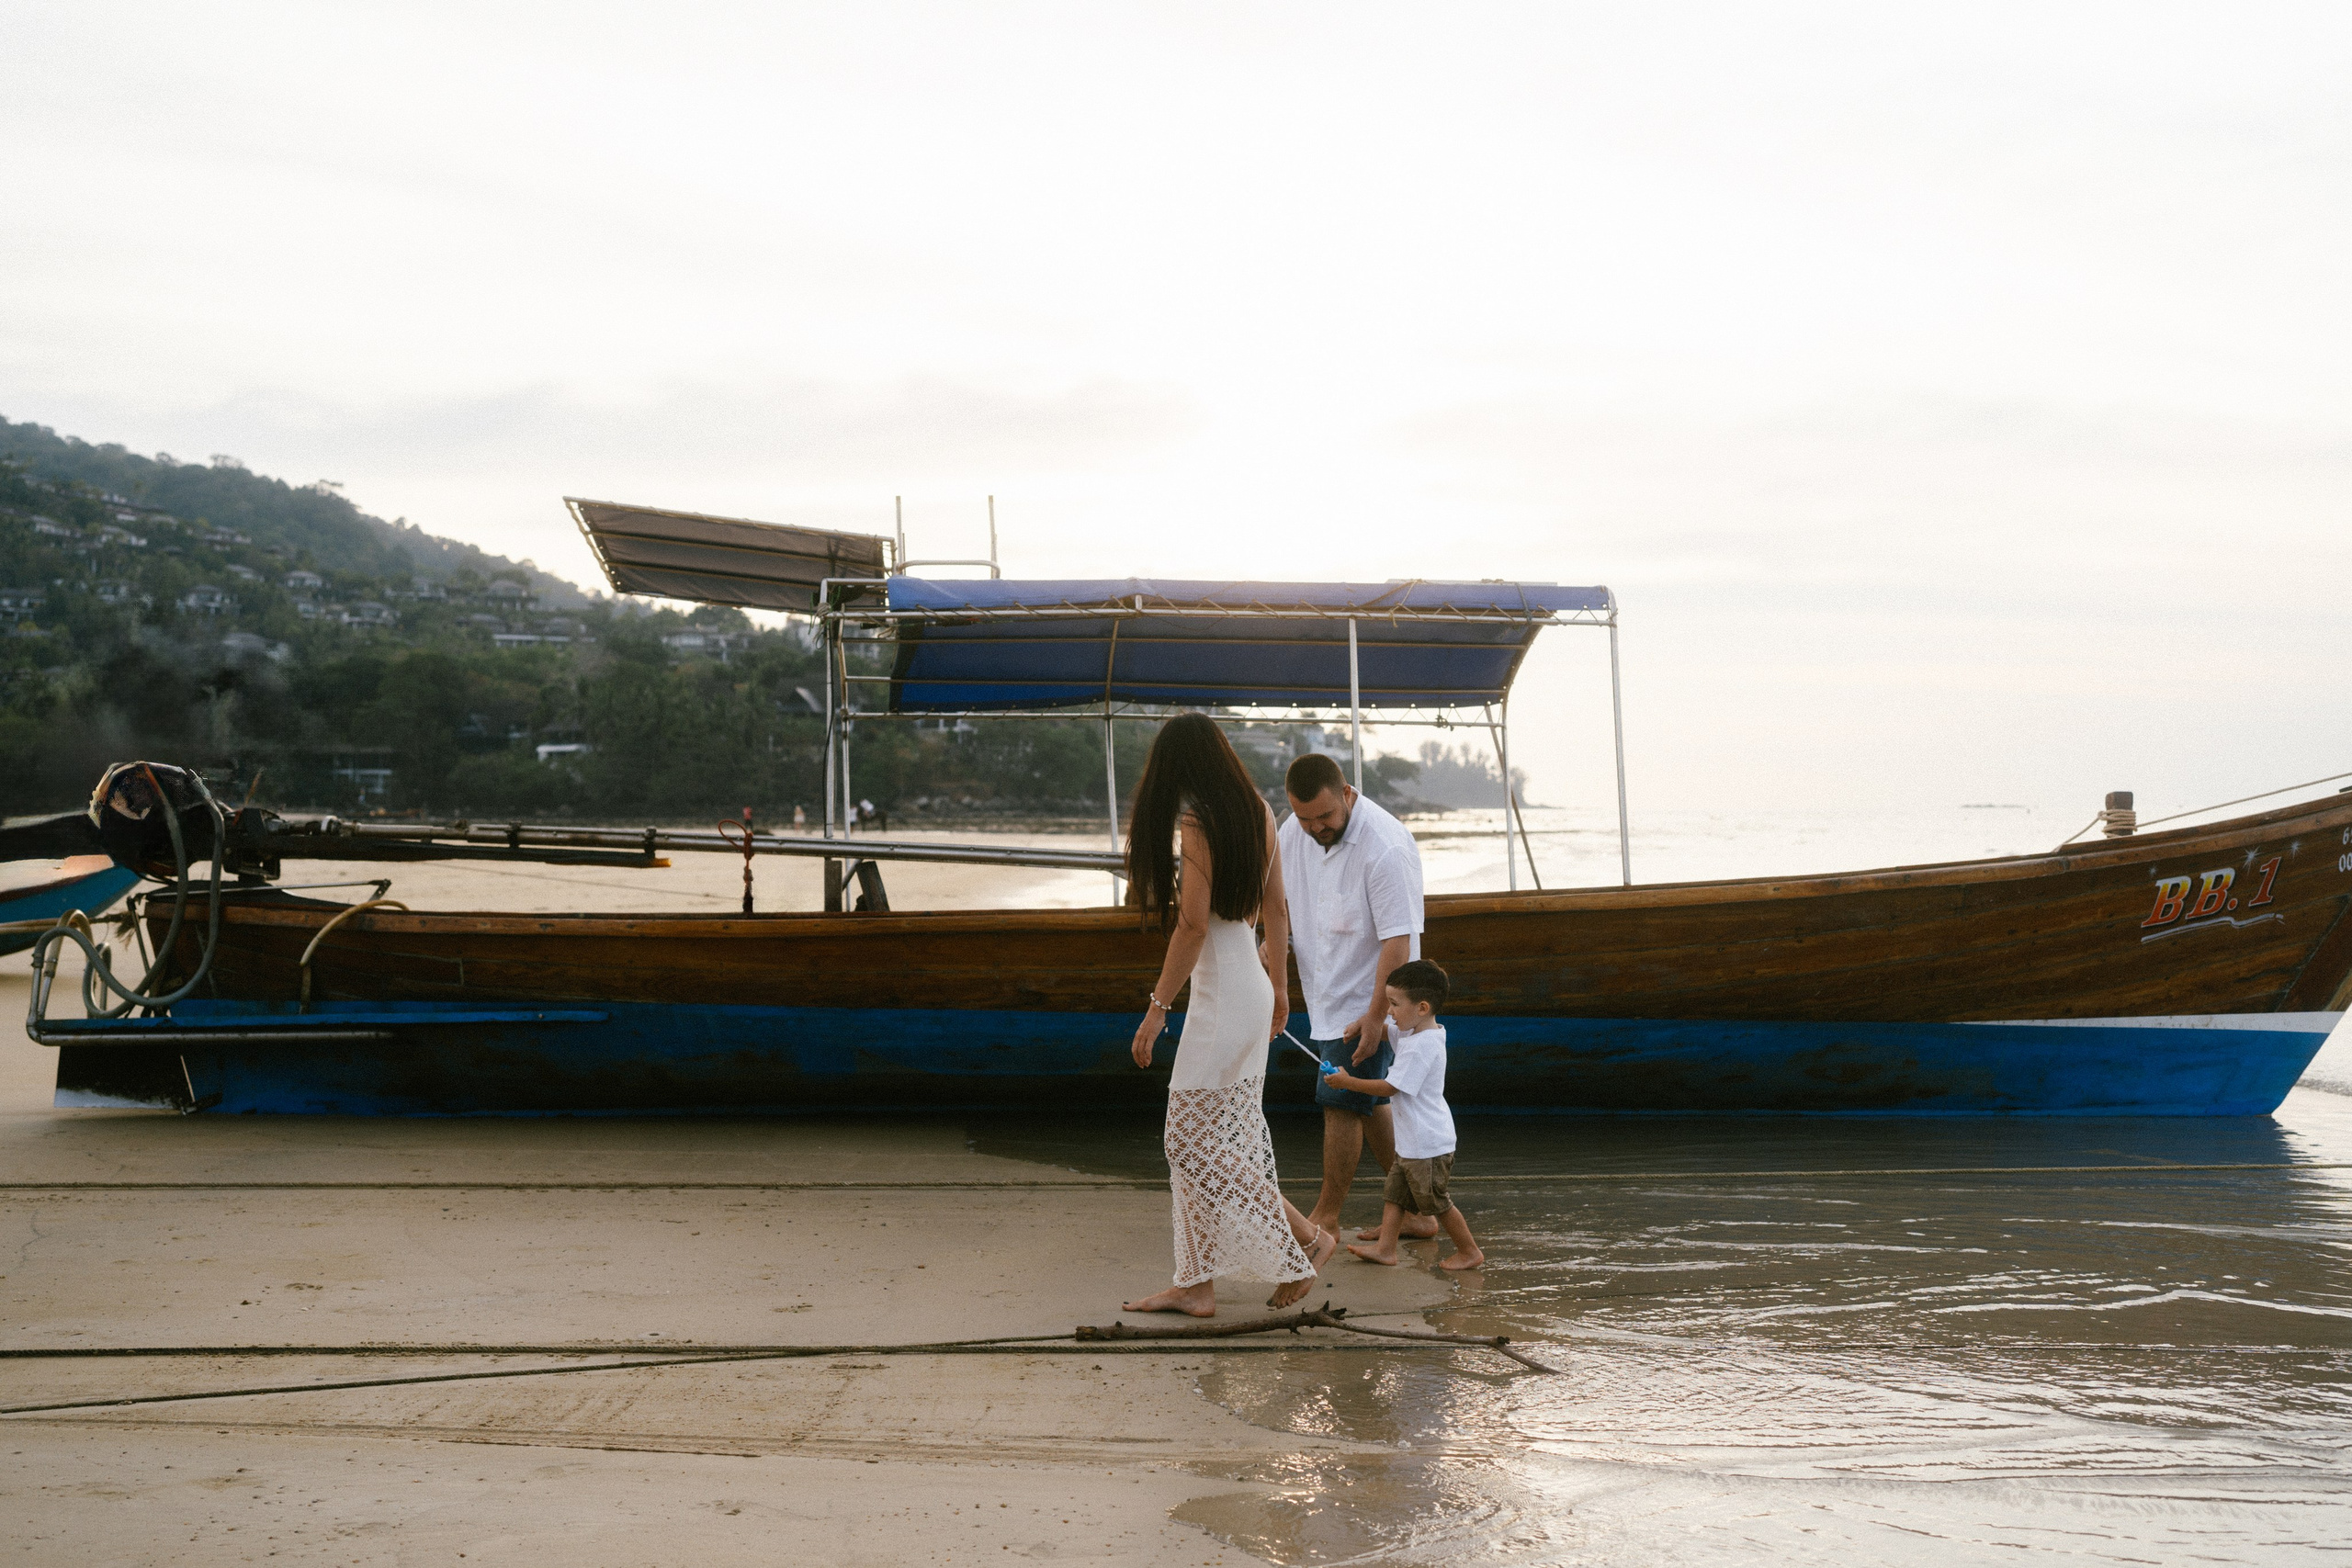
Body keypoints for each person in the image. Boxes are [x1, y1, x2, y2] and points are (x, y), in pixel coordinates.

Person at [1122, 713, 1338, 1317]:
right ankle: (1196, 1283)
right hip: (1248, 986)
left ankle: (1308, 1236)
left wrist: (1156, 1009)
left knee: (1189, 1141)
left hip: (1221, 995)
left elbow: (1194, 925)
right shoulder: (1259, 811)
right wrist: (1280, 989)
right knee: (1205, 1142)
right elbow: (1276, 909)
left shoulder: (1198, 821)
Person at [1278, 753, 1437, 1242]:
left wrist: (1374, 1017)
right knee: (1370, 1104)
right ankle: (1419, 1211)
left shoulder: (1385, 845)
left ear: (1347, 793)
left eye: (1325, 816)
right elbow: (1280, 903)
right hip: (1325, 991)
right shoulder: (1294, 833)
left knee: (1341, 1099)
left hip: (1372, 998)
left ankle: (1325, 1217)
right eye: (1304, 818)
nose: (1315, 828)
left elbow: (1398, 941)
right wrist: (1270, 953)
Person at [1327, 959, 1483, 1271]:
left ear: (1422, 1007)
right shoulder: (1414, 1033)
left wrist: (1347, 1082)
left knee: (1436, 1202)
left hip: (1428, 1144)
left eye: (1395, 1004)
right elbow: (1387, 1032)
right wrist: (1365, 1025)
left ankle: (1469, 1251)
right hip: (1412, 1142)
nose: (1389, 1011)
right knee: (1395, 1195)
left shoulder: (1422, 1046)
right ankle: (1386, 1249)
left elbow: (1389, 1088)